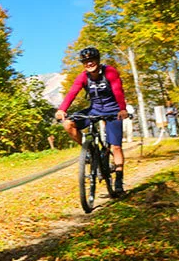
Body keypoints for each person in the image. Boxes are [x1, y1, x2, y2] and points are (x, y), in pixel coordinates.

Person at [54, 47, 129, 195]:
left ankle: (119, 179)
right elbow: (72, 93)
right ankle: (90, 150)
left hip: (113, 109)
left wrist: (122, 109)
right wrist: (62, 109)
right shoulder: (83, 77)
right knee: (68, 124)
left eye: (92, 60)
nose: (89, 63)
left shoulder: (110, 72)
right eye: (86, 62)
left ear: (98, 60)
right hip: (94, 109)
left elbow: (118, 90)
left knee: (116, 147)